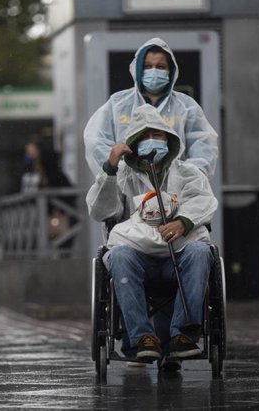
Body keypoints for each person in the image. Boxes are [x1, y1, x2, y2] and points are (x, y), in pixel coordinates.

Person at [86, 104, 218, 366]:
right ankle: (143, 338)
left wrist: (183, 222)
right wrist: (110, 168)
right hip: (137, 258)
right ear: (133, 144)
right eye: (144, 137)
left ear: (169, 140)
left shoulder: (188, 173)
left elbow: (204, 201)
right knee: (119, 255)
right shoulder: (122, 175)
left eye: (157, 135)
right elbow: (101, 210)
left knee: (201, 252)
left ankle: (181, 335)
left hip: (177, 254)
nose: (152, 142)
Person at [84, 36, 218, 180]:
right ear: (138, 69)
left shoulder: (186, 106)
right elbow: (95, 143)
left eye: (160, 67)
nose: (153, 71)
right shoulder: (118, 104)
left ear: (170, 70)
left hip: (176, 194)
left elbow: (204, 147)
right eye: (147, 66)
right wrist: (124, 174)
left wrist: (182, 178)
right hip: (127, 190)